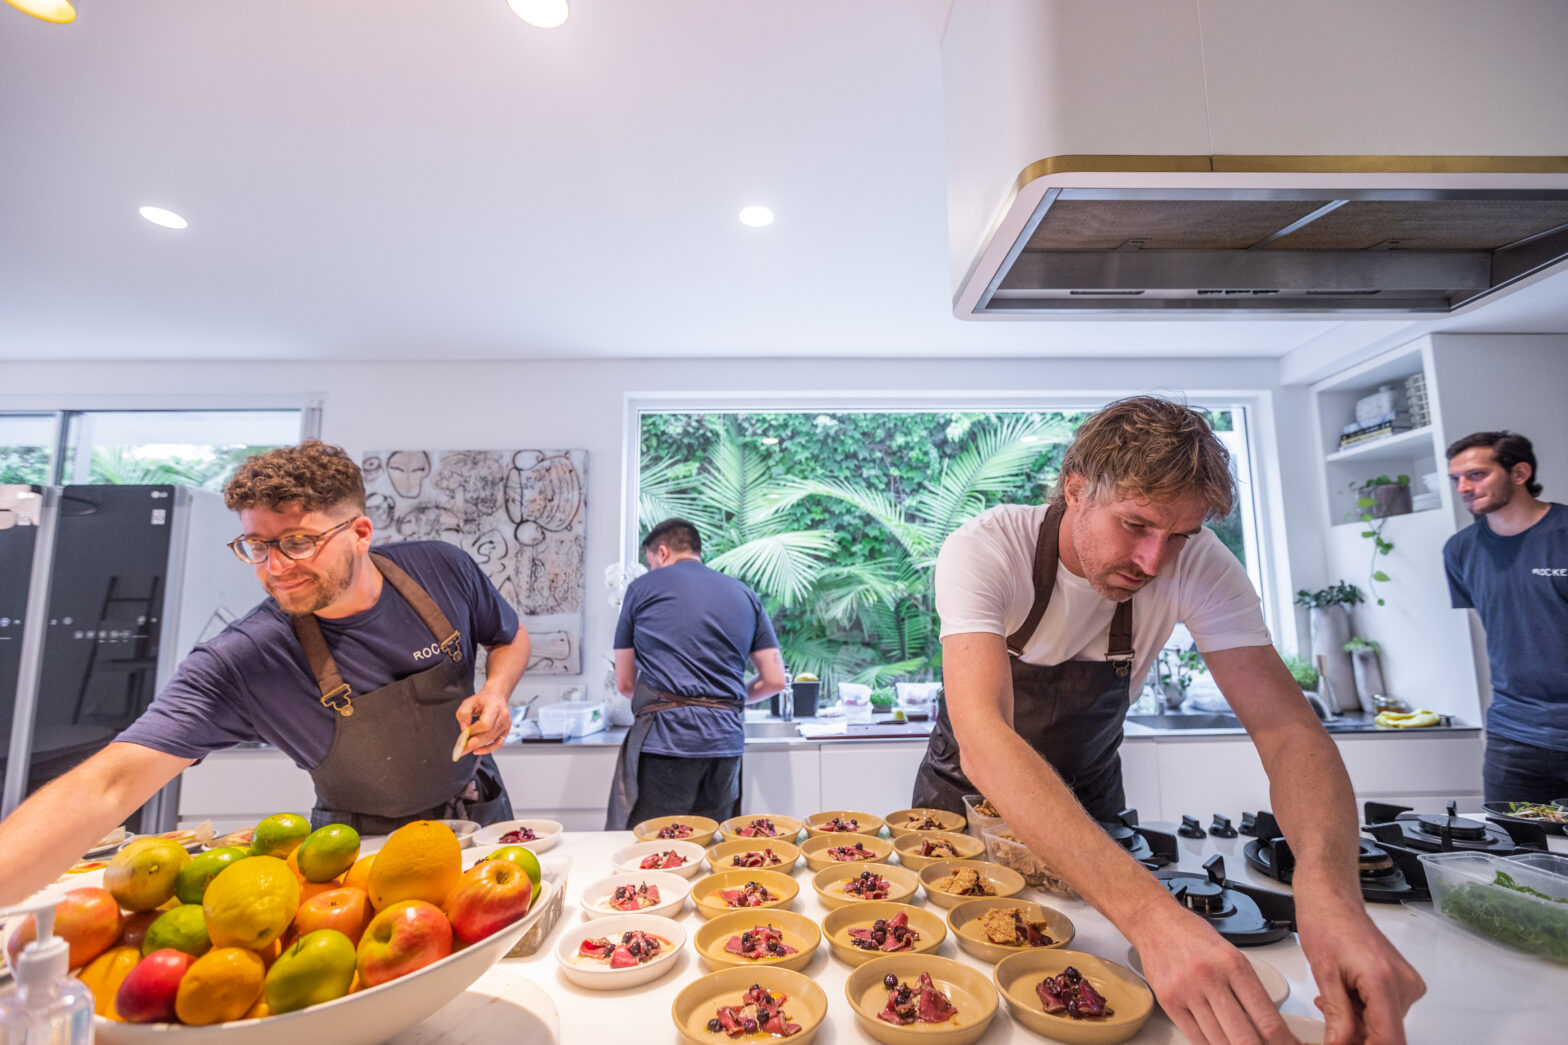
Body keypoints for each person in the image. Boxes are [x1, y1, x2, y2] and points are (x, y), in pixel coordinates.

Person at [911, 397, 1424, 1045]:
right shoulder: (988, 548)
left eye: (1179, 535)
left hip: (1090, 817)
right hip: (960, 812)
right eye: (1135, 525)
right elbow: (985, 737)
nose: (1155, 562)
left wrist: (1330, 896)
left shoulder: (1200, 565)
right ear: (1075, 490)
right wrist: (1154, 920)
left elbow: (1289, 732)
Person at [0, 441, 530, 904]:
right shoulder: (245, 660)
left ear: (360, 532)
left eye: (298, 541)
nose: (275, 568)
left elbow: (508, 636)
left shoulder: (442, 568)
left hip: (480, 814)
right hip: (356, 854)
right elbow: (109, 786)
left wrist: (496, 691)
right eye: (257, 546)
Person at [605, 518, 786, 829]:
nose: (652, 571)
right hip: (725, 745)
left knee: (657, 853)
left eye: (651, 563)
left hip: (664, 744)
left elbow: (624, 683)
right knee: (713, 849)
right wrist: (730, 699)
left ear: (662, 552)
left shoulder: (641, 589)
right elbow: (775, 680)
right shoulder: (744, 594)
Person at [1443, 430, 1567, 802]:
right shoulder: (1460, 550)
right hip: (1513, 737)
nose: (1463, 487)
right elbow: (1505, 628)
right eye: (1456, 479)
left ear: (1520, 473)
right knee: (1507, 855)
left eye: (1477, 475)